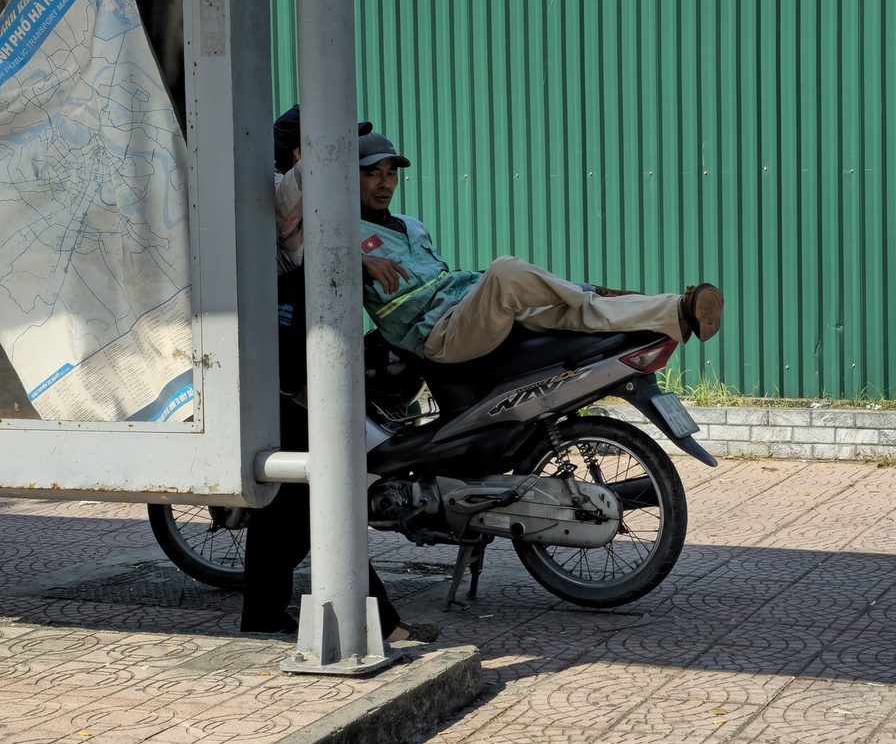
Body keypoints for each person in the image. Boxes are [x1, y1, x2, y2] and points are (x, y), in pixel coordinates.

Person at [241, 107, 432, 643]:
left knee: (290, 507)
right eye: (337, 153)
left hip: (306, 374)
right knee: (329, 495)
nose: (363, 172)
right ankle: (383, 624)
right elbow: (307, 247)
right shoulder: (281, 195)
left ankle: (261, 614)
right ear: (301, 153)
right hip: (288, 376)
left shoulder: (318, 209)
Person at [352, 130, 723, 364]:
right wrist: (358, 258)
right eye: (372, 173)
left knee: (574, 314)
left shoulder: (412, 225)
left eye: (390, 173)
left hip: (468, 305)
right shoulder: (340, 236)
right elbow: (299, 256)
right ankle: (585, 290)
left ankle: (677, 309)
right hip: (439, 335)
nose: (385, 183)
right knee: (506, 270)